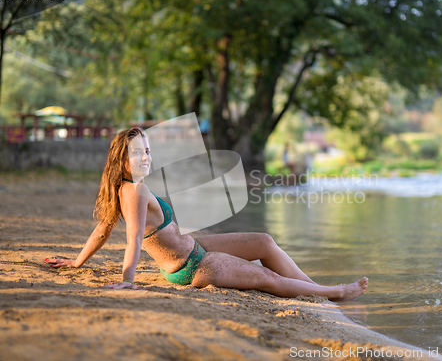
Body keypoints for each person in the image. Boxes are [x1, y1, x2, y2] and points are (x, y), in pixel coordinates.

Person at [45, 127, 368, 300]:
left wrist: (76, 262)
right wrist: (127, 282)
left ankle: (318, 292)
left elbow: (102, 231)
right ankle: (335, 293)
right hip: (193, 266)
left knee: (264, 242)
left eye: (148, 150)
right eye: (137, 152)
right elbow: (131, 240)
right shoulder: (135, 191)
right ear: (122, 158)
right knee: (268, 279)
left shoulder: (125, 188)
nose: (146, 157)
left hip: (196, 250)